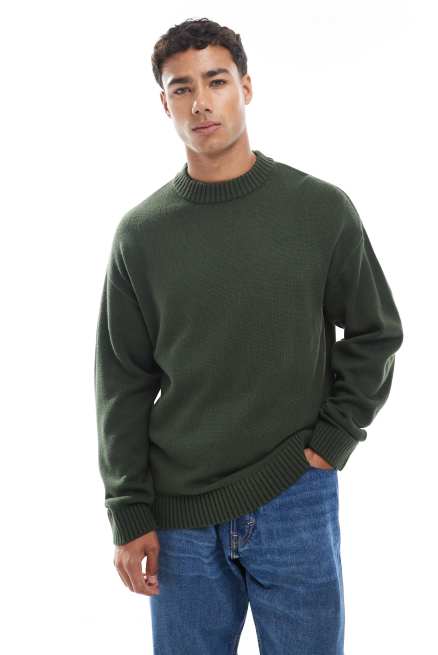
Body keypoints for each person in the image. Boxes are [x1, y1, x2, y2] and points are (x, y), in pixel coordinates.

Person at [94, 17, 404, 655]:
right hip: (178, 513)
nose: (200, 103)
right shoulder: (142, 235)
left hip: (294, 491)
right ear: (164, 104)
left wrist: (332, 440)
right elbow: (123, 381)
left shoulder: (318, 210)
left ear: (247, 87)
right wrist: (129, 510)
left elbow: (375, 332)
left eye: (216, 81)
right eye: (182, 88)